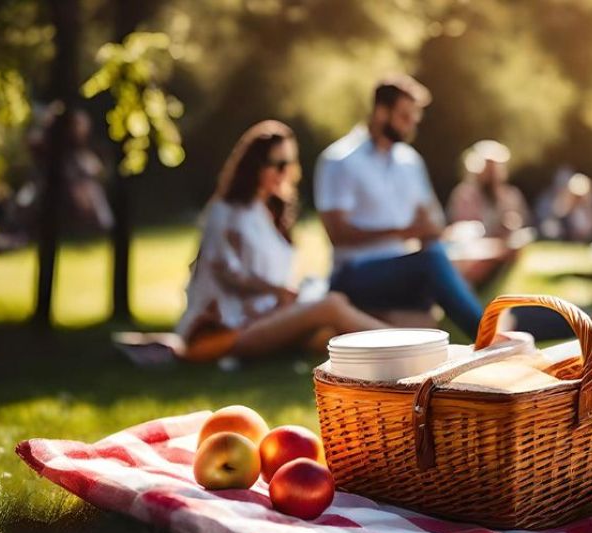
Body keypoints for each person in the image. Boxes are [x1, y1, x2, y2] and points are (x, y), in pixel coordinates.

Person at [175, 120, 386, 362]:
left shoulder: (269, 214)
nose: (285, 172)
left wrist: (290, 295)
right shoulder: (225, 212)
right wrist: (277, 290)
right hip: (222, 334)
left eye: (289, 164)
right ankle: (408, 347)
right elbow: (226, 271)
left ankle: (409, 349)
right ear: (254, 166)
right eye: (277, 164)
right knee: (332, 306)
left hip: (265, 319)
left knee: (336, 328)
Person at [315, 75, 485, 338]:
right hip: (354, 275)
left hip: (402, 271)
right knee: (432, 263)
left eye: (414, 118)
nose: (411, 125)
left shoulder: (410, 162)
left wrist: (428, 230)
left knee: (438, 257)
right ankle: (487, 335)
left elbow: (431, 222)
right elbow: (338, 235)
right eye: (405, 117)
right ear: (382, 112)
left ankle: (529, 324)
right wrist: (403, 232)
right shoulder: (341, 160)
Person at [444, 139, 533, 288]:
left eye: (495, 167)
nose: (492, 172)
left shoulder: (511, 195)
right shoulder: (464, 195)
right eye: (488, 167)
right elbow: (462, 230)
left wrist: (510, 225)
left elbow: (524, 223)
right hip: (473, 249)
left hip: (502, 246)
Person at [539, 171, 592, 242]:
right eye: (576, 196)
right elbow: (559, 216)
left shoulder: (590, 210)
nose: (578, 198)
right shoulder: (563, 209)